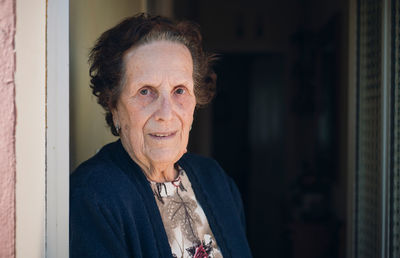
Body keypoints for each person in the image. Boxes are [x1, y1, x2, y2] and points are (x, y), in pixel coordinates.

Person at [70, 13, 252, 258]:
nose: (166, 114)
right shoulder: (93, 196)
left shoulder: (215, 179)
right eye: (146, 91)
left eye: (180, 90)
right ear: (114, 107)